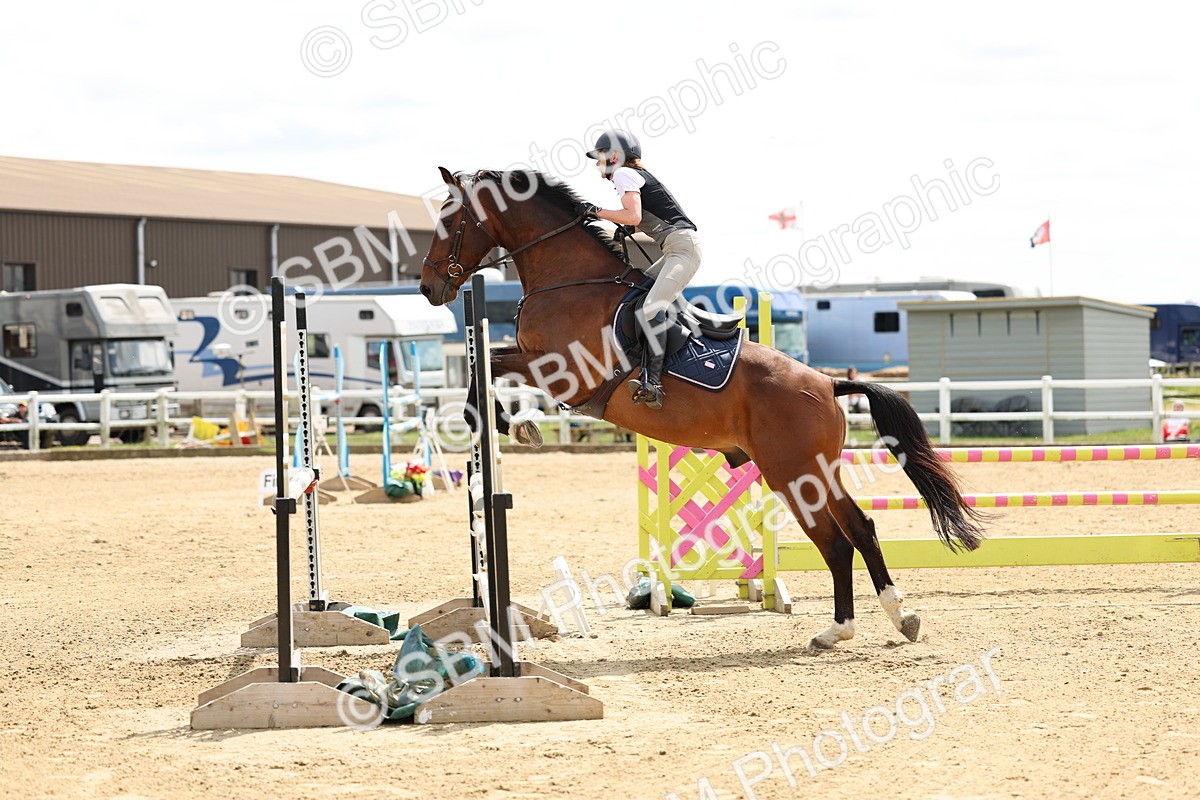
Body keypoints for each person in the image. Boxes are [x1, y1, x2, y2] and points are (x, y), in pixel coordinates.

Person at [574, 130, 702, 410]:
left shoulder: (623, 173)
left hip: (682, 248)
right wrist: (623, 229)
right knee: (637, 296)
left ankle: (653, 381)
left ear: (615, 156)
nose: (598, 164)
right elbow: (635, 221)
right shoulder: (630, 174)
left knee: (649, 309)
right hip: (675, 248)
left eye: (600, 158)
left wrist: (595, 211)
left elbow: (634, 215)